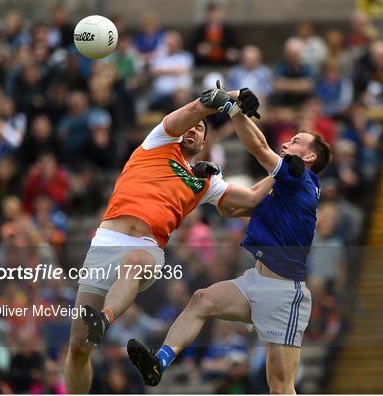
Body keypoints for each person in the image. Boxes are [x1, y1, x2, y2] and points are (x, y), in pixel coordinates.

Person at [64, 87, 273, 394]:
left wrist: (285, 169)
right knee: (78, 347)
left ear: (204, 143)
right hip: (106, 241)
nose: (193, 128)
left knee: (134, 262)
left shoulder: (205, 181)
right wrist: (230, 96)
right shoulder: (159, 142)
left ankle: (105, 320)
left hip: (146, 248)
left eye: (200, 129)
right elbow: (194, 108)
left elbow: (253, 199)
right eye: (193, 124)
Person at [126, 86, 332, 394]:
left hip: (284, 293)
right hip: (254, 282)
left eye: (297, 141)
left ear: (311, 156)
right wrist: (212, 180)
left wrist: (233, 108)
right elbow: (232, 209)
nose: (288, 142)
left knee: (280, 387)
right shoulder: (283, 184)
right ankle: (160, 361)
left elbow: (260, 149)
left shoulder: (300, 178)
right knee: (201, 301)